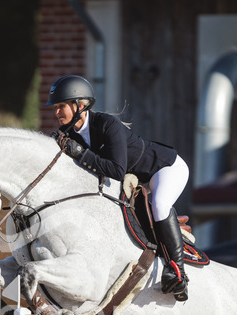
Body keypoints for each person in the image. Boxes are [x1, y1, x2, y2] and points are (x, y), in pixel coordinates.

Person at [45, 74, 191, 301]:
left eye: (61, 106)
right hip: (137, 182)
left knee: (160, 204)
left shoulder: (106, 124)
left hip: (164, 168)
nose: (56, 113)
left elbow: (115, 171)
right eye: (55, 107)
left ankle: (178, 271)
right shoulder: (69, 134)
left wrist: (80, 153)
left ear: (80, 105)